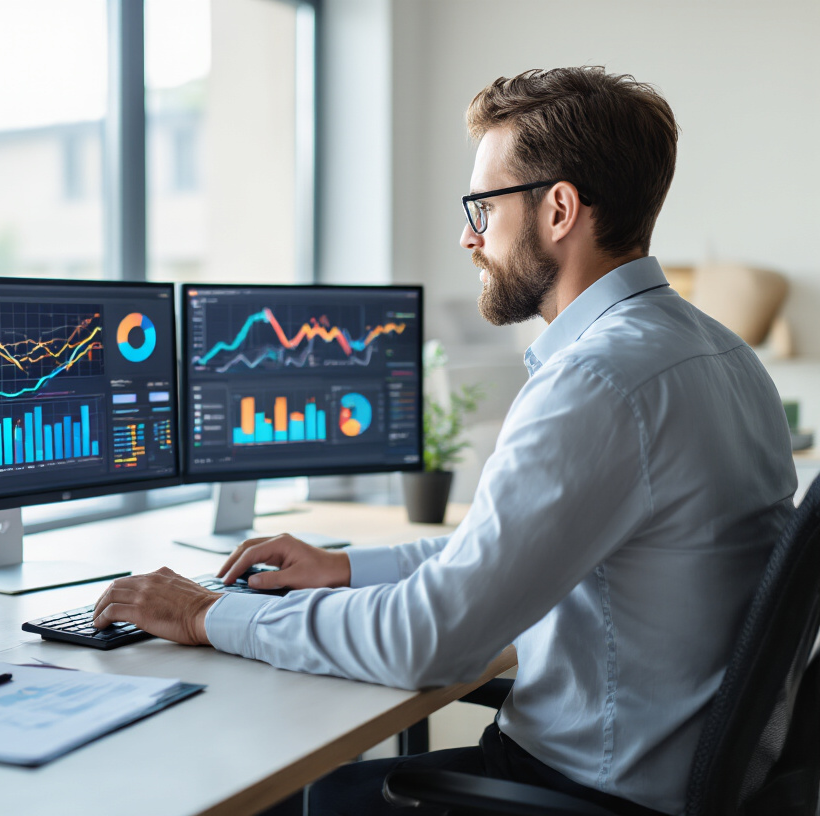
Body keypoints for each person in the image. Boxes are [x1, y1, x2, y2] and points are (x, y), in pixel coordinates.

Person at [91, 66, 797, 816]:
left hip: (593, 792)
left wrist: (208, 615)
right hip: (678, 779)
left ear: (559, 209)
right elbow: (509, 550)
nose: (468, 235)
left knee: (283, 794)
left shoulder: (598, 382)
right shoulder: (720, 356)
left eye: (483, 207)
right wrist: (343, 565)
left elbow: (431, 640)